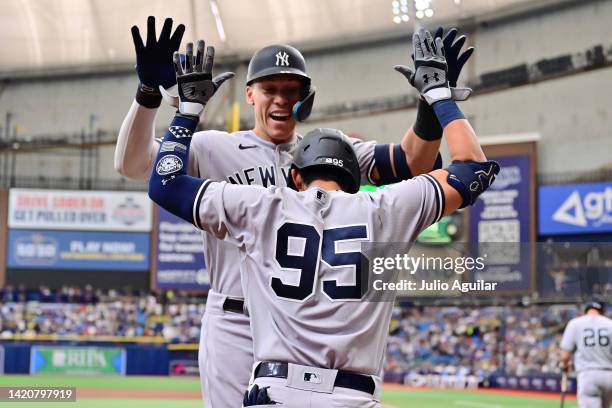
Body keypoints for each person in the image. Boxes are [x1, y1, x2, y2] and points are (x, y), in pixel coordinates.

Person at [118, 16, 474, 407]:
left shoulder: (329, 152)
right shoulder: (212, 147)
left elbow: (413, 161)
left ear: (308, 96)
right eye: (270, 88)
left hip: (307, 332)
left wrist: (429, 102)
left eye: (293, 89)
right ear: (249, 95)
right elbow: (134, 166)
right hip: (235, 320)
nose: (282, 98)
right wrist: (148, 94)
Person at [560, 300, 612, 408]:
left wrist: (565, 366)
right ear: (601, 310)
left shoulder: (575, 323)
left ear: (586, 310)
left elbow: (565, 355)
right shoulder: (610, 324)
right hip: (609, 375)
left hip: (588, 374)